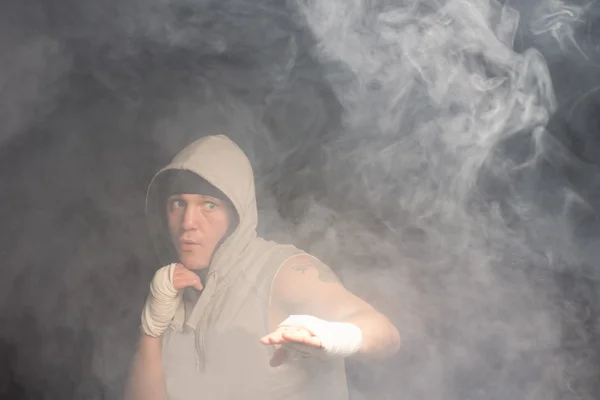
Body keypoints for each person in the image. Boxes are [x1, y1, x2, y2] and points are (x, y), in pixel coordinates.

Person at [125, 134, 400, 400]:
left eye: (209, 205)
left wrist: (334, 336)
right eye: (178, 204)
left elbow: (385, 334)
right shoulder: (172, 293)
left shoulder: (283, 273)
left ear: (237, 214)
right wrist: (151, 329)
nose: (188, 222)